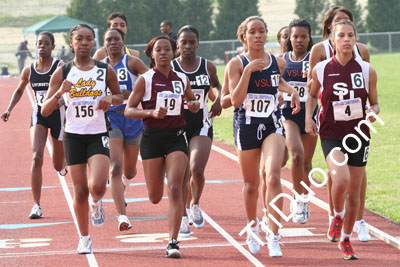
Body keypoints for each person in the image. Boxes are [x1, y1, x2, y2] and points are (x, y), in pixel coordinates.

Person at [41, 24, 123, 254]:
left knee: (96, 186)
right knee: (79, 191)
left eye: (89, 39)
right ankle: (84, 237)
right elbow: (45, 110)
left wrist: (110, 98)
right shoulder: (63, 72)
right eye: (80, 39)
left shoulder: (104, 70)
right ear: (72, 42)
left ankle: (96, 204)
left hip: (97, 133)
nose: (84, 43)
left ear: (93, 42)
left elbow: (119, 96)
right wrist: (59, 93)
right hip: (73, 136)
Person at [306, 20, 379, 260]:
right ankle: (337, 215)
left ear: (355, 39)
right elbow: (312, 95)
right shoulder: (321, 68)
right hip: (331, 133)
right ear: (332, 40)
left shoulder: (367, 70)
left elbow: (375, 103)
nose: (346, 39)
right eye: (341, 36)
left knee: (355, 192)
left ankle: (346, 239)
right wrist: (309, 117)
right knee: (340, 177)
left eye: (350, 35)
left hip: (359, 134)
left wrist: (373, 112)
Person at [228, 16, 300, 257]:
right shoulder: (237, 64)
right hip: (246, 126)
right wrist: (248, 70)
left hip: (272, 124)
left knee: (273, 175)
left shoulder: (277, 62)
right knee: (251, 185)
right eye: (253, 32)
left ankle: (274, 234)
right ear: (244, 36)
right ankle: (252, 227)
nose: (258, 35)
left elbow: (276, 81)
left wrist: (290, 91)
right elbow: (235, 100)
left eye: (262, 31)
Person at [125, 35, 199, 258]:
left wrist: (194, 104)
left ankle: (173, 242)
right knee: (155, 196)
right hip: (152, 139)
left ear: (173, 52)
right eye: (159, 50)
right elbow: (129, 110)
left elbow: (193, 103)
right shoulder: (145, 80)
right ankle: (163, 188)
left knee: (176, 187)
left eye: (168, 49)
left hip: (177, 137)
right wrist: (150, 112)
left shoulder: (182, 80)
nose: (164, 52)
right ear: (152, 54)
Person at [1, 31, 66, 219]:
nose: (42, 46)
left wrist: (61, 101)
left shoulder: (59, 67)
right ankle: (36, 205)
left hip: (57, 115)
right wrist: (9, 109)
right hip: (39, 114)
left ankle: (64, 160)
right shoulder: (29, 70)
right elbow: (20, 90)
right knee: (36, 156)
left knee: (57, 165)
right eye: (39, 43)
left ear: (53, 47)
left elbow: (70, 89)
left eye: (46, 43)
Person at [172, 25, 222, 237]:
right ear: (178, 44)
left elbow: (217, 85)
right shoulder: (171, 67)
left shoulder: (207, 66)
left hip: (202, 123)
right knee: (182, 175)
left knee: (197, 169)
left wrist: (218, 99)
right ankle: (182, 216)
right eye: (184, 42)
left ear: (197, 43)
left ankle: (195, 204)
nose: (188, 46)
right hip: (177, 125)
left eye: (192, 42)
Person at [103, 28, 148, 231]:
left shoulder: (132, 62)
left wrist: (132, 92)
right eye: (109, 40)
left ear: (123, 42)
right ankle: (122, 216)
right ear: (104, 44)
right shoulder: (100, 67)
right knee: (115, 166)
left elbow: (151, 80)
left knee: (129, 171)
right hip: (111, 118)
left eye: (116, 39)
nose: (113, 43)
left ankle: (123, 181)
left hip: (131, 118)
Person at [280, 19, 317, 224]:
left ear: (309, 38)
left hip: (310, 114)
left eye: (303, 36)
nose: (299, 40)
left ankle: (305, 197)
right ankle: (298, 197)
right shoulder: (281, 60)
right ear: (289, 38)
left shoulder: (314, 59)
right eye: (295, 36)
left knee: (306, 163)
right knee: (295, 155)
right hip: (288, 114)